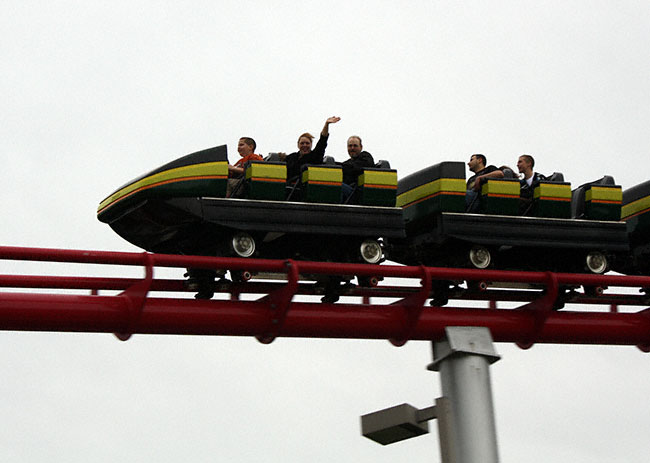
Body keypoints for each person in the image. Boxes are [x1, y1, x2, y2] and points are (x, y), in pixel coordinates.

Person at [280, 116, 341, 180]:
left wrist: (326, 124)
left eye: (307, 143)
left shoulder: (315, 156)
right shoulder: (292, 157)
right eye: (302, 143)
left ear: (311, 144)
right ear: (298, 145)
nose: (305, 145)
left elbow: (322, 141)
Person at [339, 135, 375, 202]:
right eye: (350, 146)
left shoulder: (366, 157)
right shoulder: (347, 163)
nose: (352, 148)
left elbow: (355, 167)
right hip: (348, 193)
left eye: (355, 146)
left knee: (337, 186)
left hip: (358, 194)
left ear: (361, 147)